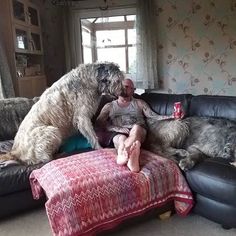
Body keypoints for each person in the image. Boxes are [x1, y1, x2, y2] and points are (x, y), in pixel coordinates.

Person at [96, 79, 174, 172]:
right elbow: (99, 123)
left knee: (136, 128)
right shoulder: (109, 106)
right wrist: (116, 128)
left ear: (133, 91)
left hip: (138, 131)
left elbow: (154, 116)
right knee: (121, 139)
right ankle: (132, 159)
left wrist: (171, 116)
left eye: (129, 87)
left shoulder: (139, 103)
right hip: (118, 132)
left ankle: (123, 155)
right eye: (123, 86)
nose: (125, 88)